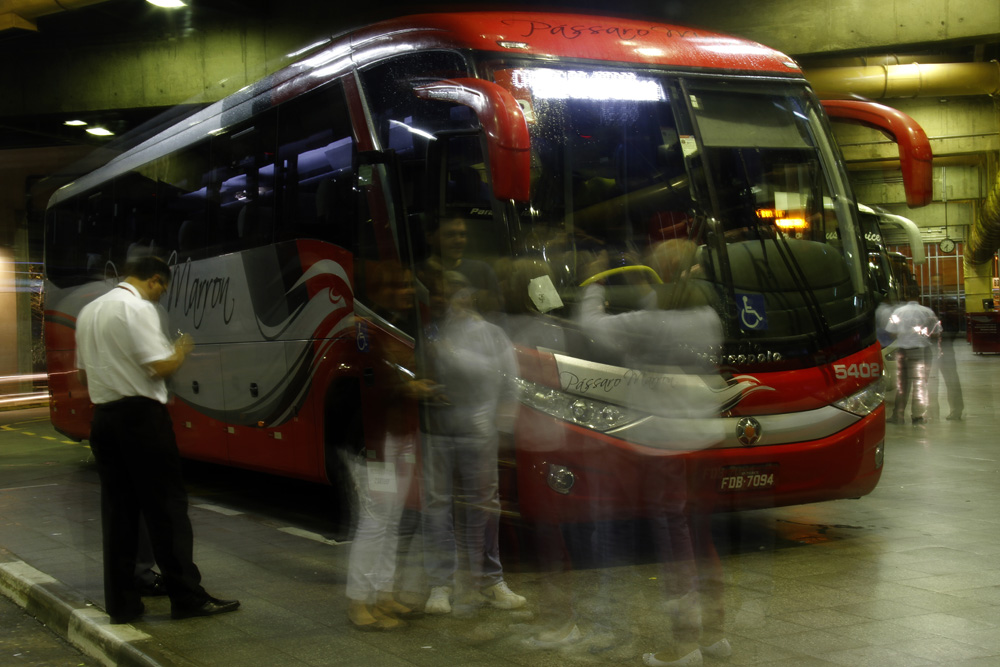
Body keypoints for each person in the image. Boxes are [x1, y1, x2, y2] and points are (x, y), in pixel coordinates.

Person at [75, 256, 239, 624]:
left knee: (118, 515)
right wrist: (181, 348)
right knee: (167, 512)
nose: (160, 295)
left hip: (104, 420)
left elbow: (84, 375)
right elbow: (159, 365)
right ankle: (187, 597)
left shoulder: (89, 312)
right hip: (142, 421)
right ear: (152, 280)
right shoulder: (137, 308)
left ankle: (123, 604)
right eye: (161, 288)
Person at [417, 268, 526, 615]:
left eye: (456, 293)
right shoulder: (428, 333)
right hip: (436, 428)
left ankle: (490, 580)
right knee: (437, 505)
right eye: (444, 294)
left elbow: (508, 380)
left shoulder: (490, 334)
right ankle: (440, 585)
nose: (451, 301)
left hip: (478, 430)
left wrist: (503, 429)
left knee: (484, 503)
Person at [886, 285, 942, 425]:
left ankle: (898, 417)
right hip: (921, 351)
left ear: (906, 295)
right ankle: (917, 417)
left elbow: (892, 332)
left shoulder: (898, 311)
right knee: (919, 384)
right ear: (919, 295)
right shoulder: (926, 311)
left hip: (903, 351)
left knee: (902, 385)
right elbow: (936, 332)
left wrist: (904, 335)